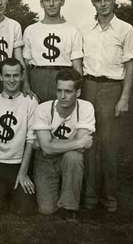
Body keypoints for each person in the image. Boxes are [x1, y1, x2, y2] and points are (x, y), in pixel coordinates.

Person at [81, 0, 133, 213]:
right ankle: (89, 197)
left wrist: (124, 97)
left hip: (112, 88)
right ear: (93, 2)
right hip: (88, 86)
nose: (103, 4)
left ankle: (110, 198)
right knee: (88, 143)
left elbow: (131, 66)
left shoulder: (126, 29)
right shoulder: (85, 30)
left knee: (109, 145)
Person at [32, 69, 95, 220]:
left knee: (74, 157)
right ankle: (58, 190)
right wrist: (78, 141)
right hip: (46, 160)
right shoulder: (44, 108)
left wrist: (51, 143)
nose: (62, 96)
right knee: (46, 209)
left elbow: (79, 149)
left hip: (69, 158)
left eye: (68, 91)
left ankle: (69, 206)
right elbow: (47, 150)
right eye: (59, 90)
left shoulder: (86, 107)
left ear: (78, 92)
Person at [0, 58, 38, 216]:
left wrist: (23, 172)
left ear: (22, 76)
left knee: (25, 209)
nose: (12, 80)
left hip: (17, 164)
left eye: (16, 75)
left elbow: (31, 140)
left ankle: (13, 193)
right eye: (7, 75)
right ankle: (3, 192)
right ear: (0, 77)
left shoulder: (30, 102)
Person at [23, 0, 83, 102]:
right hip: (38, 79)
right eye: (47, 0)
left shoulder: (72, 30)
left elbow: (77, 65)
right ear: (41, 3)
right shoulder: (31, 30)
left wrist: (78, 88)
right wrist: (25, 85)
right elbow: (25, 64)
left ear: (62, 1)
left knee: (62, 118)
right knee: (38, 117)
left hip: (64, 79)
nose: (51, 4)